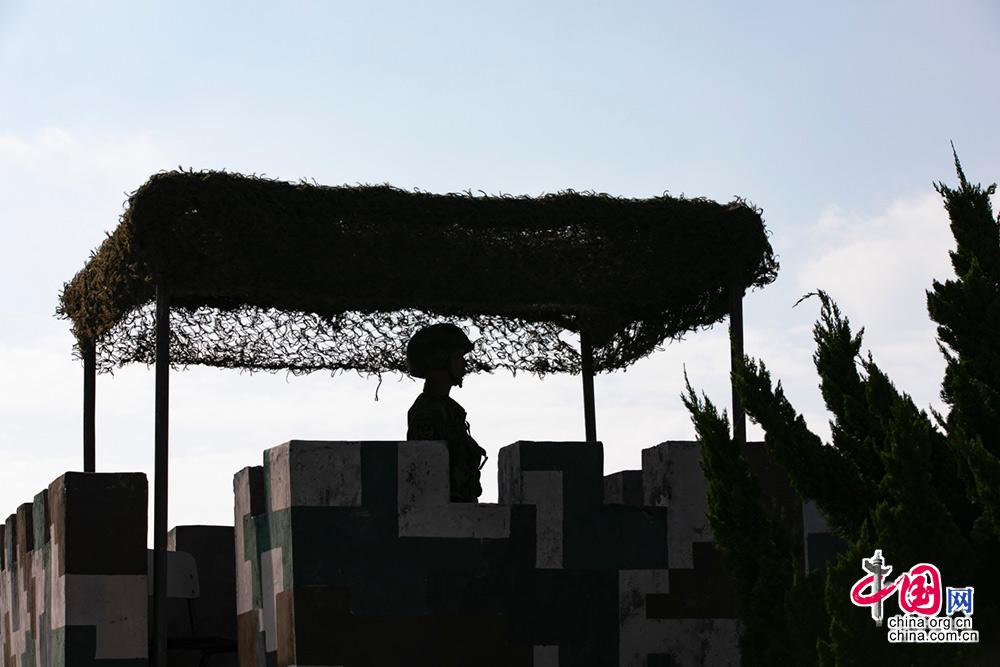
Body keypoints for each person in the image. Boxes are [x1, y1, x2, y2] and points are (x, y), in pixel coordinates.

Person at [405, 323, 488, 502]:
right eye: (458, 356)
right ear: (439, 359)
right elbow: (428, 473)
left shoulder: (449, 410)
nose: (465, 363)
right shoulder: (428, 411)